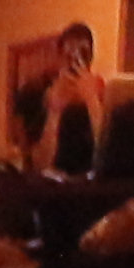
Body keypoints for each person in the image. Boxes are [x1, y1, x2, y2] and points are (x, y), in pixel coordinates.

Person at [20, 20, 109, 180]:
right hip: (51, 187)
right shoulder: (37, 93)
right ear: (59, 57)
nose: (75, 60)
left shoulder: (102, 95)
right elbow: (40, 164)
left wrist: (92, 101)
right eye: (69, 54)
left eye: (83, 54)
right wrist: (54, 111)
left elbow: (108, 156)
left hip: (91, 186)